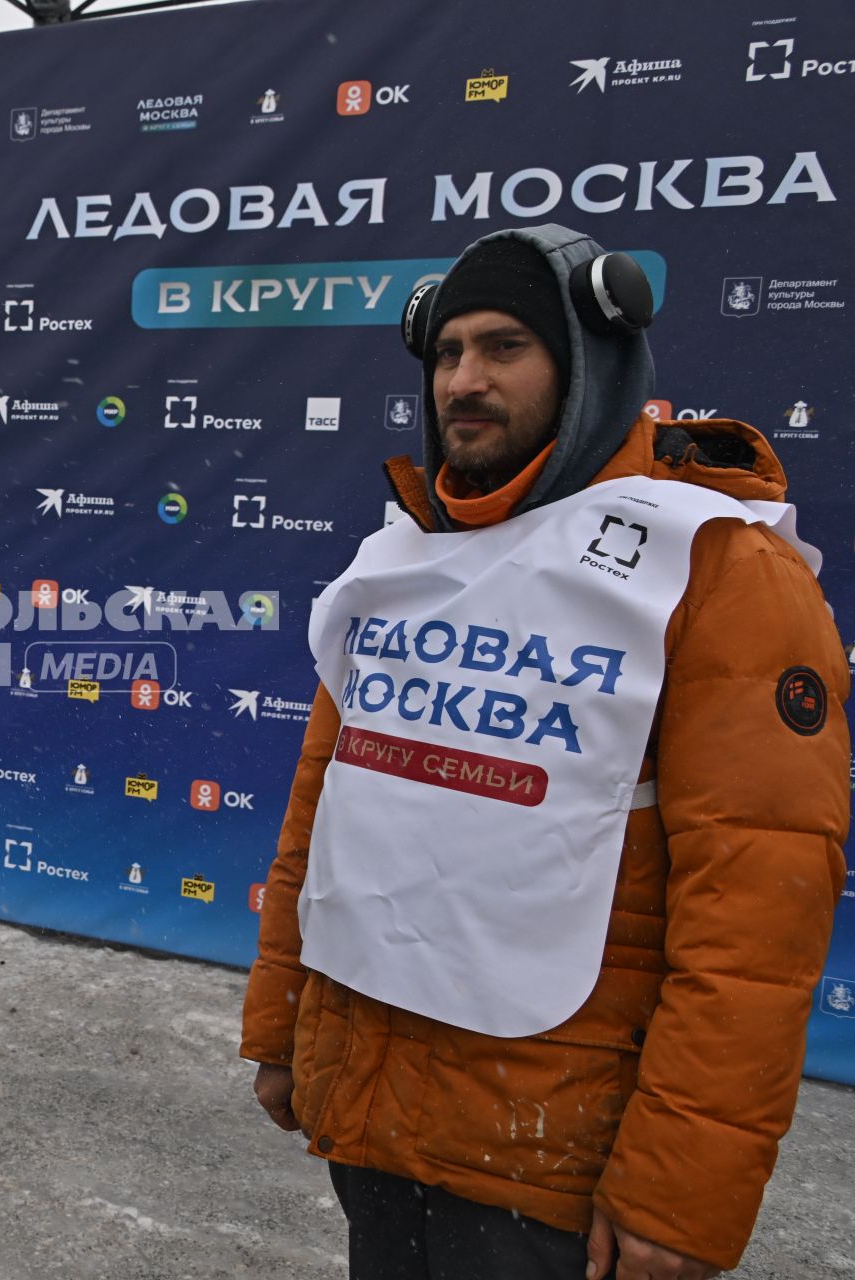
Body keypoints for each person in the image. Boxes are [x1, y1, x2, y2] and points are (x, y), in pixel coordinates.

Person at [240, 224, 849, 1280]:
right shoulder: (410, 555)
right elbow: (327, 816)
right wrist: (286, 1023)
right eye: (446, 352)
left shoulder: (716, 567)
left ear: (590, 362)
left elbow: (757, 915)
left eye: (505, 346)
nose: (464, 381)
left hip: (551, 1163)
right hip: (376, 1119)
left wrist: (677, 1187)